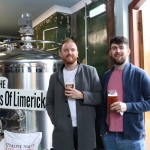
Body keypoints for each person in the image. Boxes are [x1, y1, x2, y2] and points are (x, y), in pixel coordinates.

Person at [46, 38, 102, 150]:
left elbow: (99, 97)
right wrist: (56, 121)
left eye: (72, 49)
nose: (69, 52)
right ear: (61, 53)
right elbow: (49, 102)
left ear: (77, 53)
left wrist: (81, 95)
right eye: (66, 50)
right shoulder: (54, 77)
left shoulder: (90, 71)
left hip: (86, 130)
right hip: (63, 130)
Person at [100, 36, 150, 150]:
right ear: (110, 53)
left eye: (121, 47)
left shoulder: (139, 74)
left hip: (132, 138)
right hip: (109, 137)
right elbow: (103, 105)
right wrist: (103, 130)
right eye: (114, 48)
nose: (118, 51)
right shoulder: (106, 76)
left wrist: (127, 106)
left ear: (128, 51)